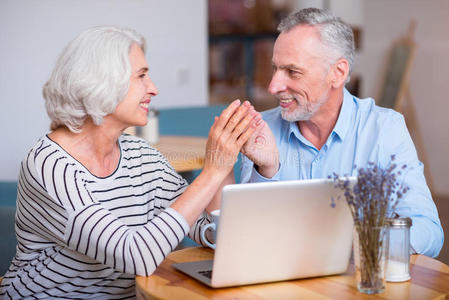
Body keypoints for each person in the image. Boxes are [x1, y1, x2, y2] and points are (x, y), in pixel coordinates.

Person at [0, 26, 262, 299]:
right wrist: (212, 171)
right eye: (142, 76)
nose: (154, 89)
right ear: (101, 82)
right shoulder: (49, 165)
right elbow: (136, 255)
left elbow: (211, 234)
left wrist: (225, 159)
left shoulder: (140, 154)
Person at [236, 8, 443, 257]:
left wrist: (355, 240)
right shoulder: (262, 131)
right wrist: (265, 172)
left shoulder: (384, 130)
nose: (273, 86)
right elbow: (245, 240)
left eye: (292, 71)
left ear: (338, 73)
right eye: (275, 69)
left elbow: (428, 233)